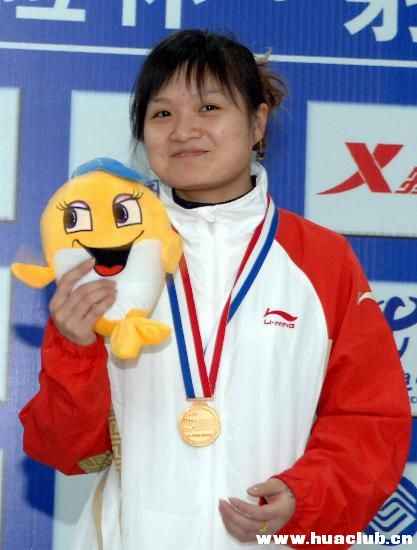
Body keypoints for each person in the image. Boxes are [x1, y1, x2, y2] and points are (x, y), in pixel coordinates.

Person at [19, 30, 411, 549]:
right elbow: (65, 451)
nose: (184, 130)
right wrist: (75, 349)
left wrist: (306, 497)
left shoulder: (320, 259)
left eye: (209, 107)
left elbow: (370, 420)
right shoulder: (105, 257)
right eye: (162, 113)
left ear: (257, 122)